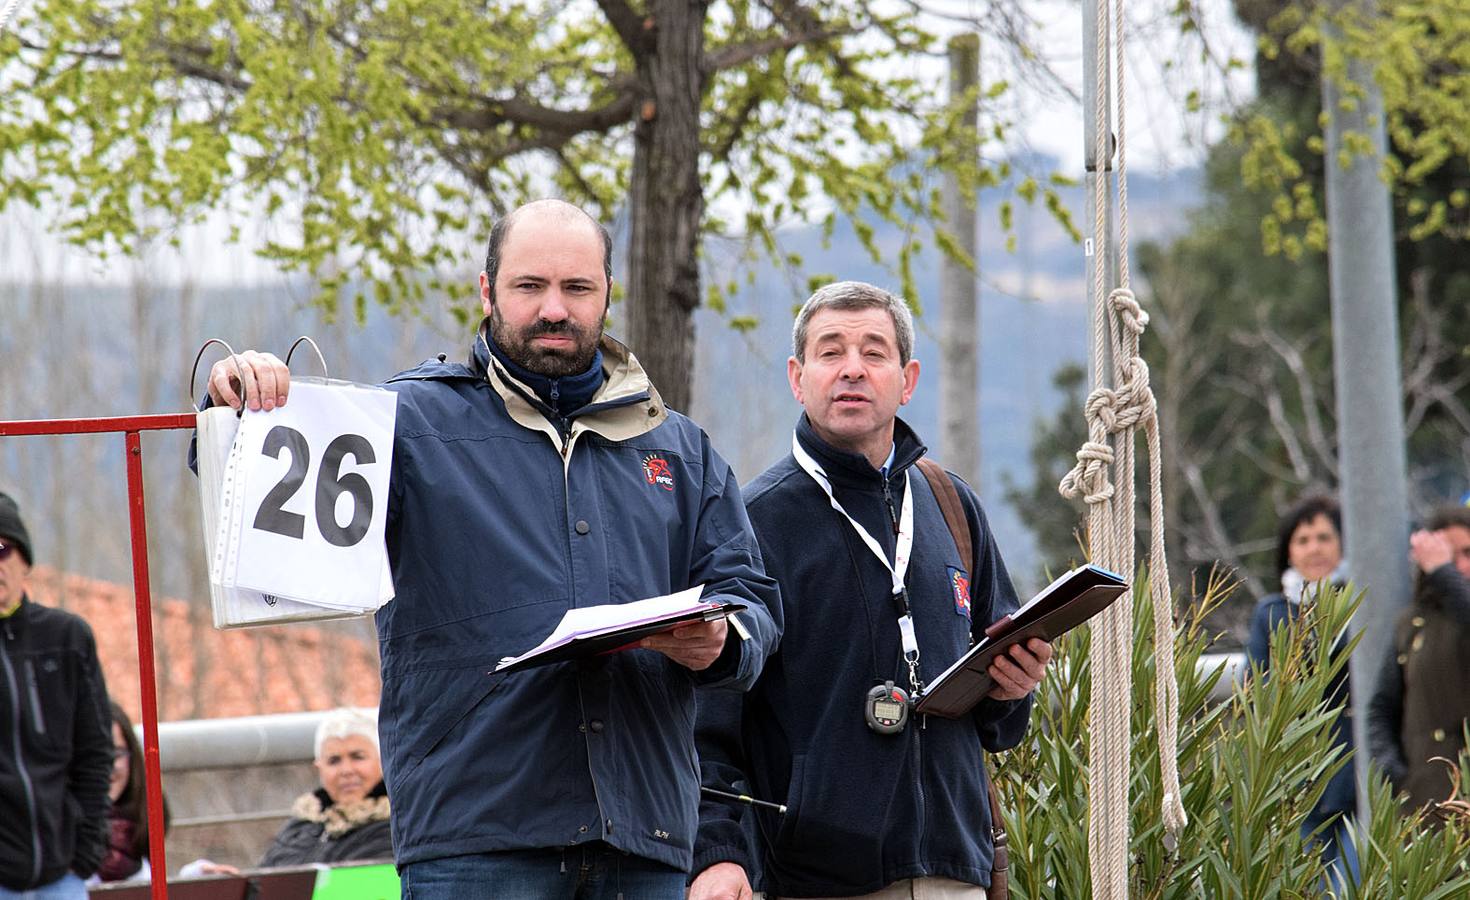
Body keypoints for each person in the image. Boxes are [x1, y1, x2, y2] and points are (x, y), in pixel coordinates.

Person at [201, 199, 781, 899]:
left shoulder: (678, 449)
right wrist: (242, 409)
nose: (555, 309)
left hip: (644, 838)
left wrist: (721, 641)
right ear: (487, 290)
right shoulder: (404, 423)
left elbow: (753, 602)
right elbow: (259, 496)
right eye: (530, 286)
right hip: (474, 842)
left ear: (606, 294)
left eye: (577, 288)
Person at [689, 281, 1052, 900]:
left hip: (953, 871)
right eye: (830, 352)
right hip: (815, 880)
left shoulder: (951, 506)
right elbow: (708, 722)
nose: (852, 369)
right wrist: (717, 855)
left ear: (907, 379)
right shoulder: (752, 523)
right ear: (797, 376)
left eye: (874, 352)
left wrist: (1012, 688)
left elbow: (1000, 724)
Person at [0, 491, 113, 899]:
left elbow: (96, 750)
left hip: (61, 877)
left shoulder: (67, 637)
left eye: (1, 548)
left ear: (24, 559)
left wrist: (85, 852)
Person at [1245, 494, 1357, 885]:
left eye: (1325, 537)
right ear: (1288, 551)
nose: (1315, 548)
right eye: (1304, 539)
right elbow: (1256, 690)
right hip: (1296, 783)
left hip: (1359, 777)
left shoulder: (1364, 605)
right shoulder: (1272, 613)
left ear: (1344, 542)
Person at [1367, 504, 1470, 814]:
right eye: (1449, 556)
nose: (1459, 565)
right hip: (1426, 800)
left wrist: (1444, 572)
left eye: (1467, 552)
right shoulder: (1412, 623)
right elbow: (1381, 707)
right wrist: (1394, 771)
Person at [93, 702, 169, 884]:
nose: (107, 767)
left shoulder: (136, 830)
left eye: (116, 753)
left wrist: (193, 878)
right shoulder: (54, 850)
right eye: (94, 755)